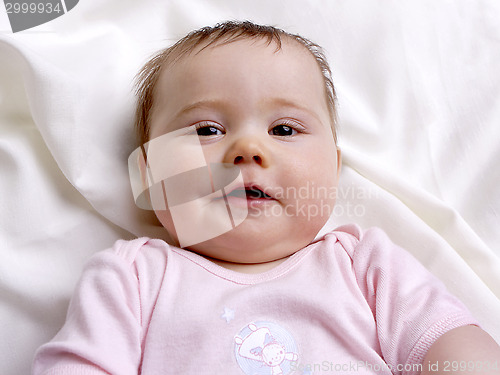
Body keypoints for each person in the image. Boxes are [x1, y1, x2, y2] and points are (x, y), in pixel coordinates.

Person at [32, 21, 500, 375]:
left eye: (284, 129)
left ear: (333, 172)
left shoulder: (363, 265)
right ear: (149, 178)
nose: (248, 149)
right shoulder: (132, 277)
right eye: (207, 130)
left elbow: (452, 348)